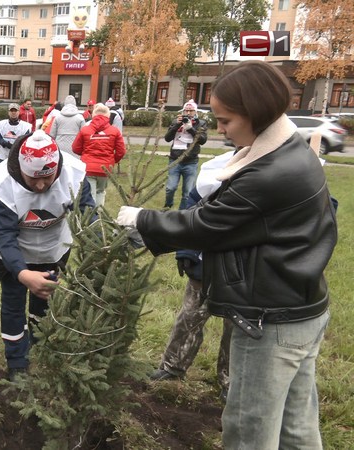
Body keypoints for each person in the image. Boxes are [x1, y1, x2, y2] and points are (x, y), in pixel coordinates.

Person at [116, 60, 337, 449]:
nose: (219, 129)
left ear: (257, 114)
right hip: (302, 310)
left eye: (226, 120)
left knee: (249, 432)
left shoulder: (271, 172)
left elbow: (205, 226)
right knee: (296, 430)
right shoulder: (291, 151)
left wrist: (142, 219)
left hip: (270, 321)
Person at [0, 130, 94, 380]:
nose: (42, 186)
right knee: (13, 305)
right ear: (21, 170)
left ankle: (38, 345)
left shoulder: (74, 175)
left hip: (53, 249)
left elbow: (88, 218)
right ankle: (17, 362)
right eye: (34, 179)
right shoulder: (2, 182)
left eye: (47, 178)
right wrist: (22, 273)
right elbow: (3, 235)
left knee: (43, 303)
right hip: (12, 255)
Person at [148, 151, 235, 400]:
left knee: (235, 328)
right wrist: (185, 252)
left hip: (240, 273)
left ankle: (230, 379)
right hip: (204, 266)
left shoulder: (267, 175)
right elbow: (188, 215)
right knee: (189, 317)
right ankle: (173, 366)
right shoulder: (215, 173)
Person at [72, 102, 125, 207]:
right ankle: (99, 215)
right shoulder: (114, 131)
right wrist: (113, 160)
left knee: (90, 194)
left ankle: (89, 218)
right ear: (108, 116)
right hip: (105, 168)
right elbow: (121, 151)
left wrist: (85, 154)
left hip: (88, 167)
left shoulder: (85, 130)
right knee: (100, 191)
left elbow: (75, 148)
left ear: (93, 115)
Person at [162, 99, 207, 210]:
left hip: (191, 162)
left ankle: (182, 212)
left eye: (190, 111)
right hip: (175, 160)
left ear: (195, 112)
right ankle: (168, 206)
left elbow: (202, 140)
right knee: (170, 188)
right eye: (186, 110)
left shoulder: (200, 123)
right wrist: (177, 125)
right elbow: (167, 138)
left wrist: (191, 129)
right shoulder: (176, 121)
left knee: (187, 192)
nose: (188, 113)